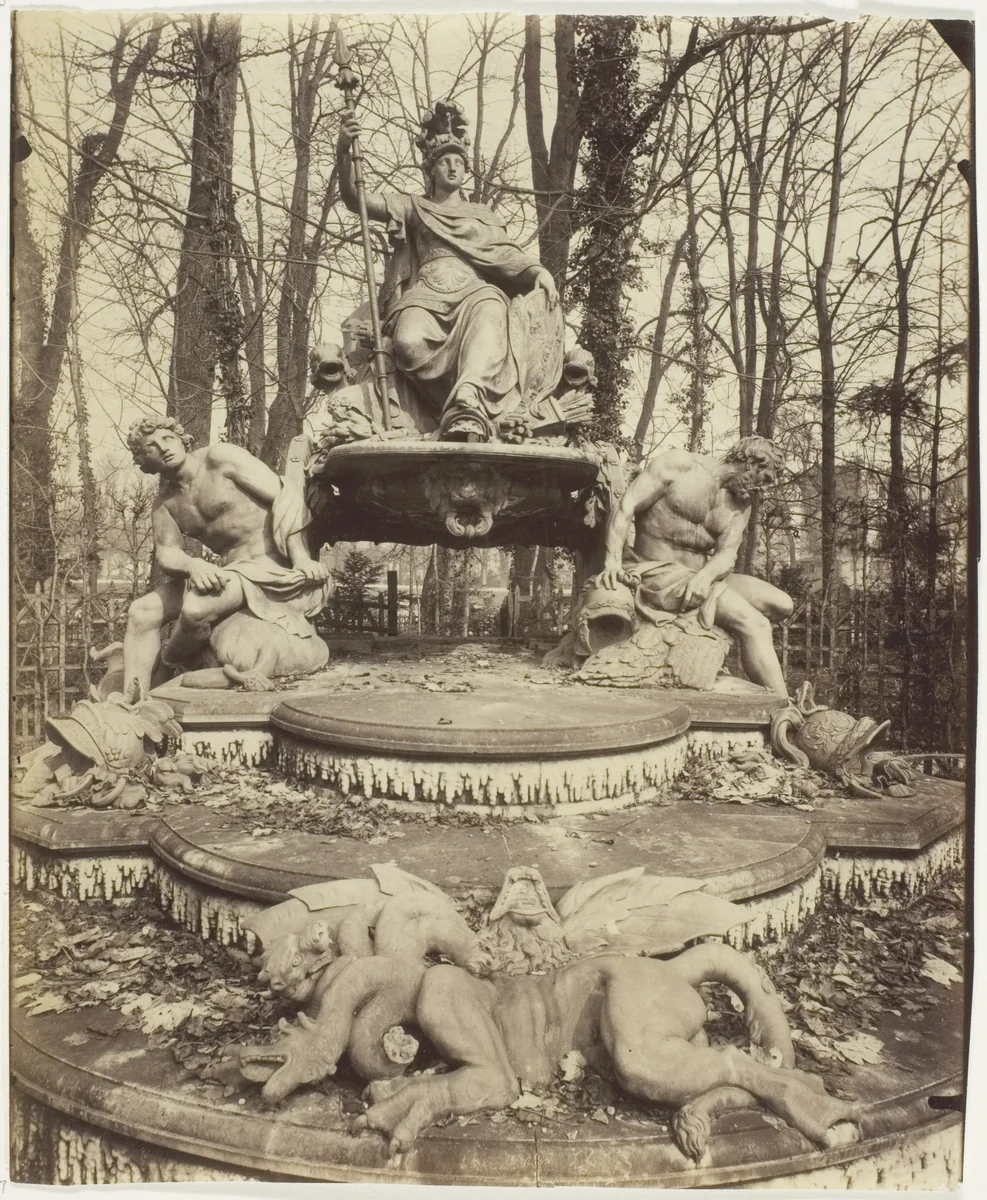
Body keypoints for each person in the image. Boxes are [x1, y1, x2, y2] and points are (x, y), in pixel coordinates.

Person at [336, 101, 559, 441]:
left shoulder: (481, 215)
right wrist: (343, 150)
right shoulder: (413, 207)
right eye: (445, 162)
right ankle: (448, 408)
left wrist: (538, 272)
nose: (453, 168)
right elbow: (357, 199)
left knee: (491, 310)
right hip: (425, 294)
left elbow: (504, 254)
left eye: (459, 163)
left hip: (474, 293)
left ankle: (468, 400)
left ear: (465, 170)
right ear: (432, 170)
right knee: (407, 341)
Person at [121, 417, 330, 698]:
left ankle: (167, 667)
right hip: (228, 572)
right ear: (145, 462)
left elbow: (285, 496)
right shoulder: (166, 504)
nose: (164, 448)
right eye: (151, 448)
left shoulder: (220, 459)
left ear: (181, 439)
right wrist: (192, 564)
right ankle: (130, 704)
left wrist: (301, 558)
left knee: (195, 610)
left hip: (270, 567)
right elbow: (167, 552)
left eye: (167, 439)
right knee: (141, 612)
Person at [598, 437, 793, 694]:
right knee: (755, 624)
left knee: (783, 604)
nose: (764, 488)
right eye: (765, 479)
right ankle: (783, 708)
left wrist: (705, 576)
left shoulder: (740, 504)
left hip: (700, 576)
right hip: (656, 571)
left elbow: (727, 554)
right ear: (751, 464)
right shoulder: (679, 465)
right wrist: (612, 562)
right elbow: (626, 506)